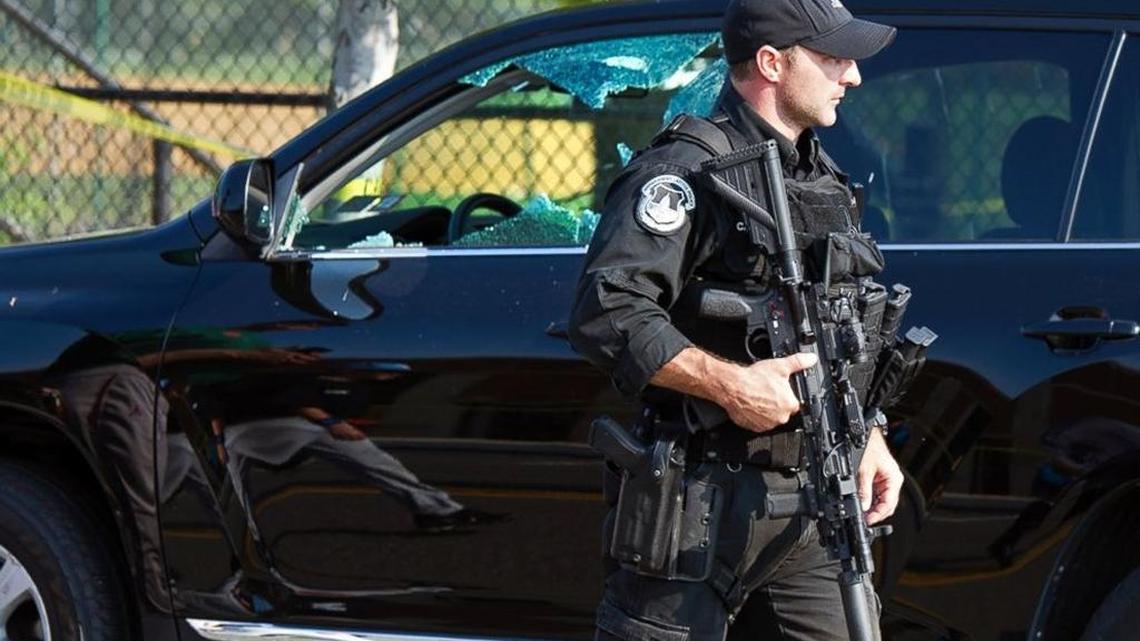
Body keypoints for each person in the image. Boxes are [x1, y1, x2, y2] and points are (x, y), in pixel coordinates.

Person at [568, 0, 904, 639]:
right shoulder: (683, 169)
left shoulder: (818, 176)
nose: (853, 76)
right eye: (834, 57)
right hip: (696, 506)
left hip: (812, 504)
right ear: (773, 62)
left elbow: (836, 321)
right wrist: (729, 384)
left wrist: (867, 431)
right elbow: (607, 310)